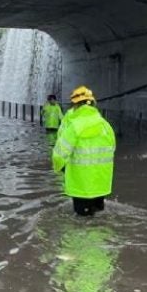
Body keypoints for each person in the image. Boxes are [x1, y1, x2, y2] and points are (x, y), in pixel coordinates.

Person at [52, 86, 116, 217]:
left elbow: (59, 155)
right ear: (93, 104)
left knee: (81, 223)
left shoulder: (74, 126)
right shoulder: (105, 125)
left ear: (75, 105)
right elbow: (112, 148)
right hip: (101, 184)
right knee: (99, 217)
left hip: (81, 185)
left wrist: (59, 169)